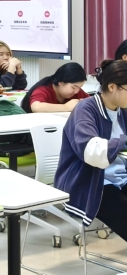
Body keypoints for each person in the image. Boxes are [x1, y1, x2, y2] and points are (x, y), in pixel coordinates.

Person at [56, 60, 127, 240]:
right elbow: (92, 152)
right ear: (112, 87)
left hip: (119, 176)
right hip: (89, 182)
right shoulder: (86, 109)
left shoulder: (122, 110)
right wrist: (123, 141)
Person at [21, 62, 88, 113]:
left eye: (79, 87)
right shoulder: (43, 90)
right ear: (60, 82)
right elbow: (36, 107)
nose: (76, 91)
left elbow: (92, 101)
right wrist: (65, 107)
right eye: (73, 87)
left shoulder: (77, 92)